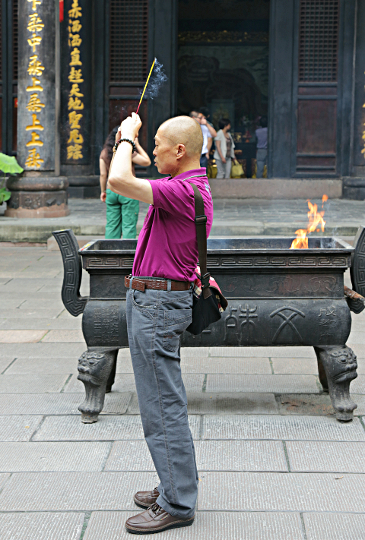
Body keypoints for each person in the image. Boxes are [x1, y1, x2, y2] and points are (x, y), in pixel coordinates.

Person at [108, 113, 213, 535]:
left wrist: (125, 139)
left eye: (156, 145)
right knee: (162, 401)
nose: (150, 153)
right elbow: (141, 170)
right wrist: (129, 141)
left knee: (162, 406)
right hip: (155, 300)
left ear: (180, 151)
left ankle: (178, 503)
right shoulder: (185, 183)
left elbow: (118, 181)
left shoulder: (182, 190)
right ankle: (177, 483)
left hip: (157, 304)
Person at [99, 126, 151, 239]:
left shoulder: (104, 153)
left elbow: (103, 175)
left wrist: (103, 191)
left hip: (111, 190)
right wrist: (136, 144)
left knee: (112, 225)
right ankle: (127, 254)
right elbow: (146, 161)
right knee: (129, 225)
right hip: (127, 191)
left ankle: (110, 254)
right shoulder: (127, 152)